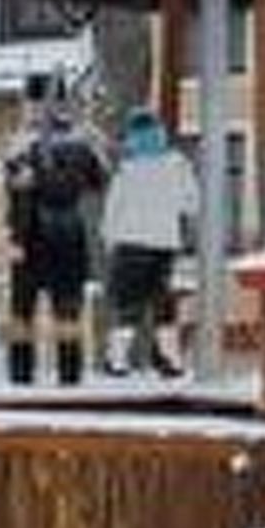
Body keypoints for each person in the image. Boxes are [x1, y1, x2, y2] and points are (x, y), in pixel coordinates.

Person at [3, 76, 109, 385]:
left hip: (62, 237)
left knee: (66, 314)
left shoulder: (75, 142)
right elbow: (14, 196)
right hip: (26, 239)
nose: (31, 110)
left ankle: (69, 379)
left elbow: (90, 183)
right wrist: (11, 234)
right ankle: (19, 378)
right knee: (20, 315)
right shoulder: (21, 143)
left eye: (35, 103)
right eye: (29, 103)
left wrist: (36, 178)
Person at [100, 108, 198, 377]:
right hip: (165, 244)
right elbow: (192, 204)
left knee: (127, 305)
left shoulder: (126, 168)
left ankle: (117, 360)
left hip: (129, 244)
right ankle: (171, 360)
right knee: (163, 304)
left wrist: (109, 239)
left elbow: (112, 210)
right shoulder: (178, 165)